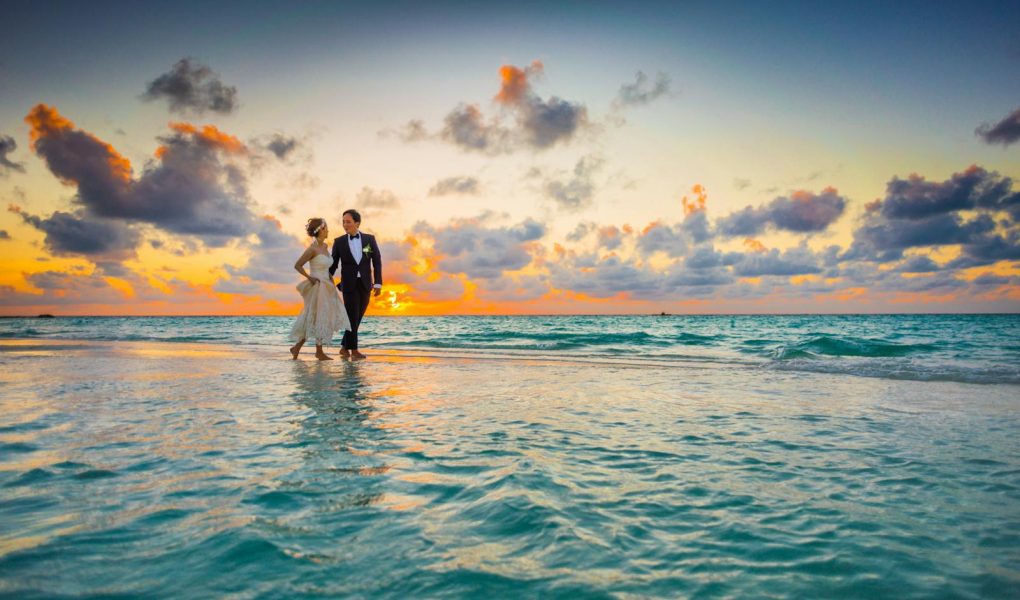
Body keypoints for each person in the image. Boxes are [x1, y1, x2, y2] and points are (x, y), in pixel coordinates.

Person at [289, 218, 351, 360]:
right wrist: (309, 278)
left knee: (321, 317)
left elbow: (325, 266)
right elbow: (298, 265)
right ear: (321, 230)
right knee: (316, 316)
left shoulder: (325, 247)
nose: (328, 230)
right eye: (326, 228)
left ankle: (298, 348)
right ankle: (318, 351)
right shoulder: (312, 249)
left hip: (327, 286)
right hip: (317, 286)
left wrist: (330, 275)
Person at [329, 209, 382, 360]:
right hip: (349, 285)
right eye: (343, 222)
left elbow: (376, 261)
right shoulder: (339, 242)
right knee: (352, 317)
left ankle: (344, 347)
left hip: (365, 284)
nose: (345, 225)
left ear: (357, 223)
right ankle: (354, 351)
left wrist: (378, 283)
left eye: (348, 222)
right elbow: (333, 265)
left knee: (358, 317)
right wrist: (324, 278)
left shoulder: (369, 239)